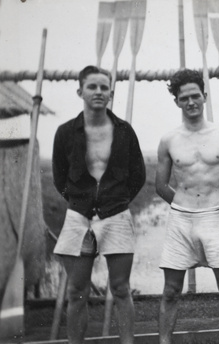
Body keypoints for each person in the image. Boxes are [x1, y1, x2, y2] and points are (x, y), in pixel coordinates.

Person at [52, 65, 146, 344]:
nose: (98, 92)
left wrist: (114, 202)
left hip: (116, 216)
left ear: (111, 93)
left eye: (104, 87)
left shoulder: (124, 131)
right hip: (78, 217)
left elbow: (138, 175)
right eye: (92, 86)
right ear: (80, 91)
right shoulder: (65, 132)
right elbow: (60, 178)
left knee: (120, 288)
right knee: (76, 291)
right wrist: (81, 201)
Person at [155, 69, 219, 344]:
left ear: (204, 96)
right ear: (177, 101)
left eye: (195, 95)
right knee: (171, 290)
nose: (191, 102)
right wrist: (184, 207)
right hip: (181, 219)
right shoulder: (169, 139)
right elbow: (160, 186)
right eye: (184, 98)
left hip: (215, 216)